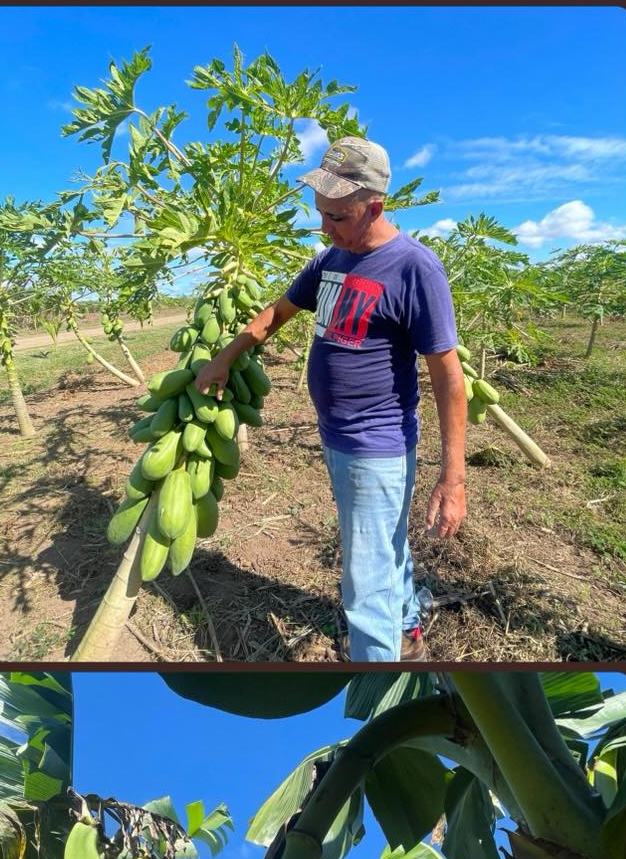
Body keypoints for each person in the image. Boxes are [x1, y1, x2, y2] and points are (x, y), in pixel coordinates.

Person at [195, 137, 467, 662]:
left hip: (376, 446)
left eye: (337, 216)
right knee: (385, 547)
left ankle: (378, 673)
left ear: (374, 208)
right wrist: (224, 357)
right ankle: (407, 629)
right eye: (320, 212)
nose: (325, 227)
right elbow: (277, 312)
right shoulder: (332, 258)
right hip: (338, 437)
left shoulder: (415, 269)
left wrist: (452, 479)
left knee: (364, 584)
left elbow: (448, 377)